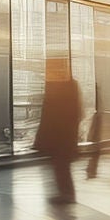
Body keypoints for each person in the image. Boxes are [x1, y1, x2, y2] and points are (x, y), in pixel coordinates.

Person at [35, 57, 82, 204]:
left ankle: (67, 194)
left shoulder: (61, 86)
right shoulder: (66, 85)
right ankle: (66, 193)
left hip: (61, 136)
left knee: (61, 165)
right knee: (60, 165)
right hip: (62, 135)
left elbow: (51, 113)